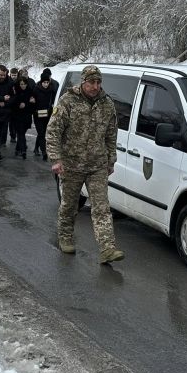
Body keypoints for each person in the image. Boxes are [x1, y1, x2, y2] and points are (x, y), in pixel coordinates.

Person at [46, 65, 124, 264]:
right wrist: (56, 159)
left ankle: (107, 248)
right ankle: (65, 236)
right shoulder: (68, 101)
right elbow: (53, 131)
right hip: (71, 165)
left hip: (97, 165)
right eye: (92, 82)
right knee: (69, 205)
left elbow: (111, 135)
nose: (95, 86)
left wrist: (110, 160)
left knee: (101, 207)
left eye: (98, 82)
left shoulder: (107, 104)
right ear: (83, 82)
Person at [32, 71, 56, 161]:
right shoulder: (36, 90)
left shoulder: (52, 90)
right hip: (37, 115)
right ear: (41, 82)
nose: (46, 84)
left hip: (47, 115)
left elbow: (54, 101)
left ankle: (36, 148)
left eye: (47, 82)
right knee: (41, 133)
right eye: (44, 82)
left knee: (42, 133)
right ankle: (44, 152)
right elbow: (31, 101)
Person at [11, 76, 35, 158]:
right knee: (20, 133)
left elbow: (33, 105)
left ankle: (18, 149)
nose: (23, 86)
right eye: (21, 84)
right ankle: (23, 149)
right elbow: (12, 103)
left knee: (22, 133)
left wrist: (26, 104)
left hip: (26, 116)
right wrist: (19, 105)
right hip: (17, 116)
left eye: (24, 84)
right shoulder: (15, 92)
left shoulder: (30, 91)